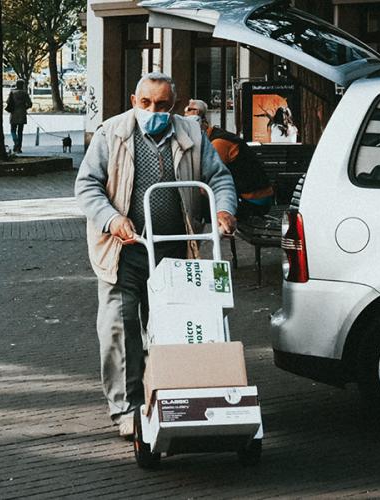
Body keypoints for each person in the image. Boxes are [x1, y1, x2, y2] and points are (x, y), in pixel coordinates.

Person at [74, 72, 237, 439]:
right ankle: (126, 408)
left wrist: (224, 210)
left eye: (162, 105)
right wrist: (111, 219)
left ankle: (172, 395)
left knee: (175, 326)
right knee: (121, 326)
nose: (154, 111)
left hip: (176, 247)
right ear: (134, 101)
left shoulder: (192, 134)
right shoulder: (111, 133)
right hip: (125, 248)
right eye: (146, 103)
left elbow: (219, 178)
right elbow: (87, 186)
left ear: (175, 106)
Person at [184, 99, 274, 217]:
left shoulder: (218, 143)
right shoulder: (216, 135)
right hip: (254, 196)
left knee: (198, 200)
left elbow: (211, 179)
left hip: (253, 202)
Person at [5, 80, 32, 153]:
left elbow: (7, 102)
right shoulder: (25, 93)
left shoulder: (12, 92)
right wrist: (24, 108)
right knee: (20, 131)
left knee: (13, 130)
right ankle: (19, 147)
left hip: (13, 113)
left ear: (16, 85)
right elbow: (30, 104)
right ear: (22, 85)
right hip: (22, 114)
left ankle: (15, 141)